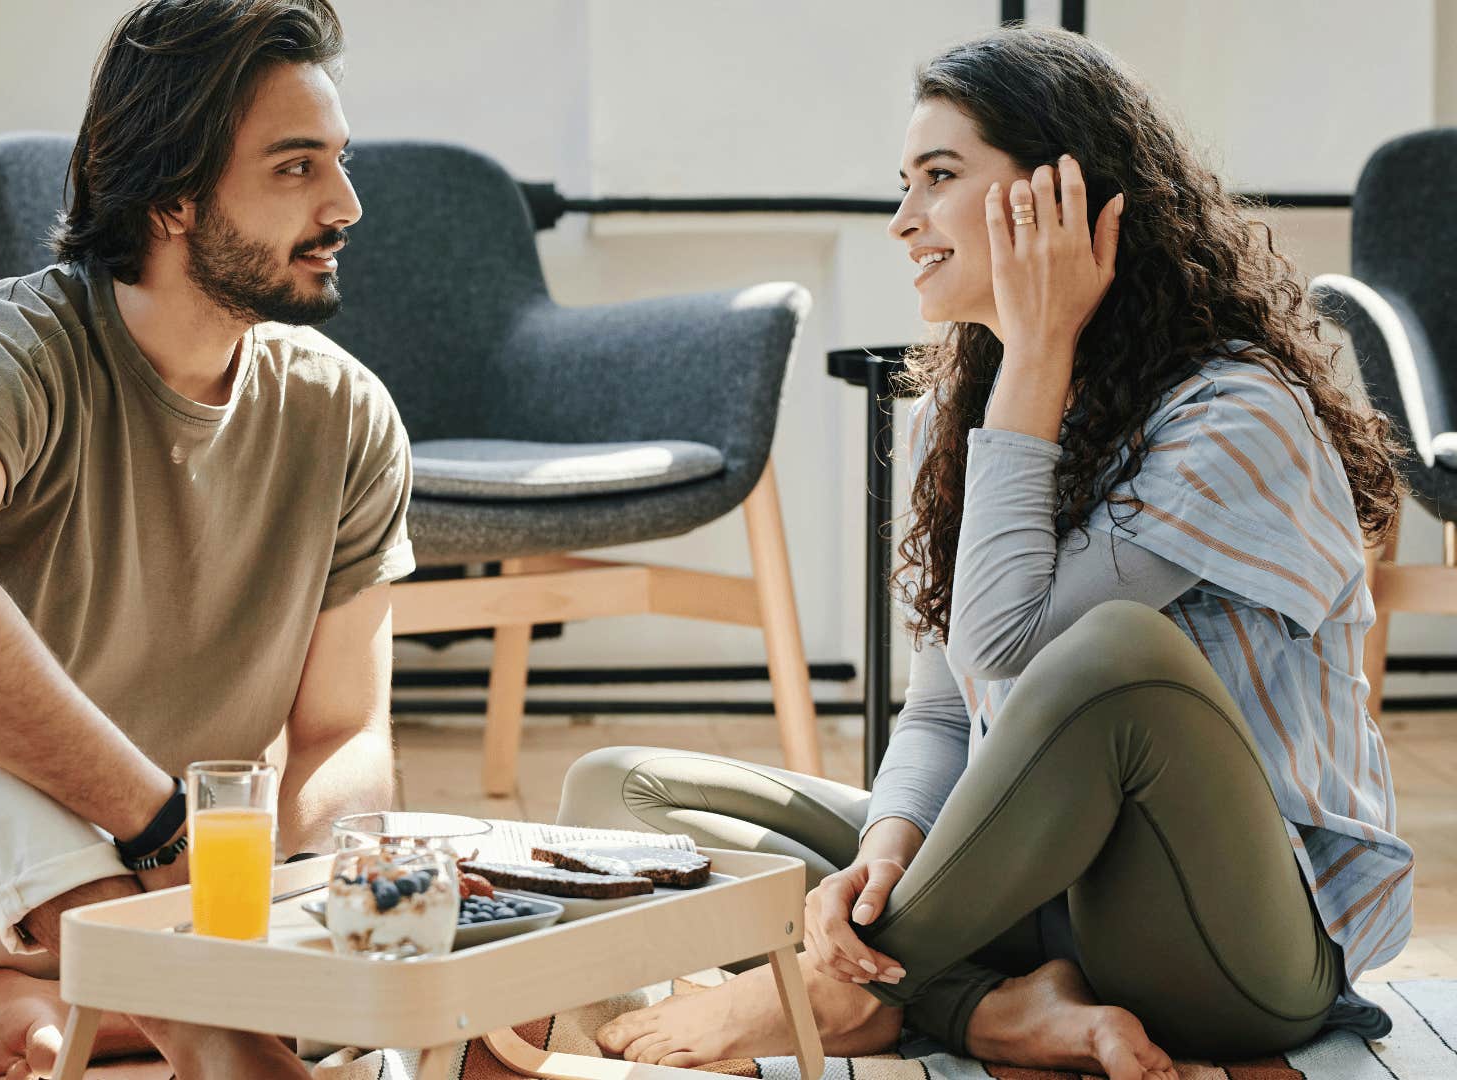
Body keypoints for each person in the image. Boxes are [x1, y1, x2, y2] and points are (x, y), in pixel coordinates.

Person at [556, 26, 1411, 1080]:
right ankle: (988, 1011)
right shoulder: (965, 410)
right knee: (622, 797)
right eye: (904, 182)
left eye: (940, 177)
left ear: (1057, 196)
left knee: (1114, 660)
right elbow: (949, 703)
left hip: (1231, 952)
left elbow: (1012, 646)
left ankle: (842, 992)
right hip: (1028, 901)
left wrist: (1039, 344)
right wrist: (887, 849)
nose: (904, 220)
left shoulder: (1236, 418)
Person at [0, 2, 412, 1077]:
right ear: (170, 197)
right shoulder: (10, 349)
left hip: (171, 906)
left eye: (338, 162)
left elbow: (342, 731)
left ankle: (49, 1007)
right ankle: (199, 1027)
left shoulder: (345, 417)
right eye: (296, 169)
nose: (345, 204)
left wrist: (316, 917)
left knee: (382, 951)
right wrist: (158, 834)